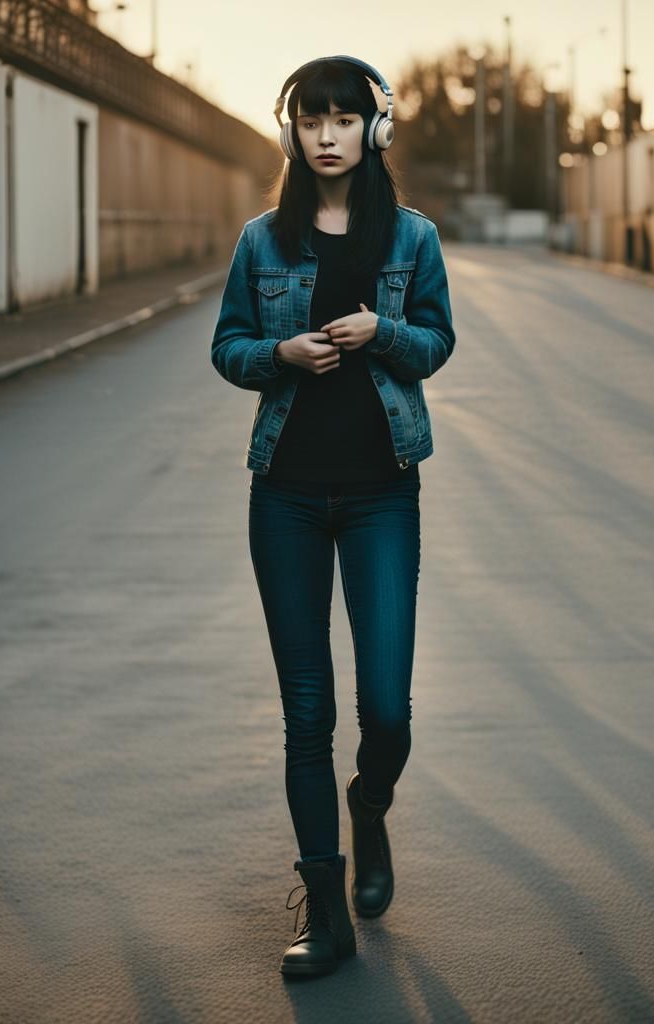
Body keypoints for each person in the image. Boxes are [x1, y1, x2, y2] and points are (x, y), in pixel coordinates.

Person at [210, 55, 455, 978]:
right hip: (286, 498)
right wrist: (279, 351)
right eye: (311, 119)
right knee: (306, 711)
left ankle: (372, 804)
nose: (326, 134)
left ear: (373, 130)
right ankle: (325, 906)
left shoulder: (415, 238)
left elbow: (435, 343)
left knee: (385, 708)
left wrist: (380, 334)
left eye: (344, 119)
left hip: (383, 492)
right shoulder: (260, 241)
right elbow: (227, 347)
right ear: (290, 131)